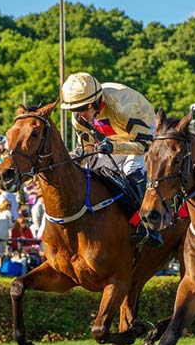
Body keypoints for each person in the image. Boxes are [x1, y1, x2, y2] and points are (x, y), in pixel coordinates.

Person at [60, 71, 163, 247]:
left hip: (145, 134)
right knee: (91, 170)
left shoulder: (122, 106)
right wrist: (78, 157)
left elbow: (145, 144)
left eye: (84, 108)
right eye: (74, 110)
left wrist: (113, 147)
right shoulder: (79, 117)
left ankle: (149, 227)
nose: (80, 114)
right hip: (117, 138)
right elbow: (88, 147)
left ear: (96, 100)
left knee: (131, 170)